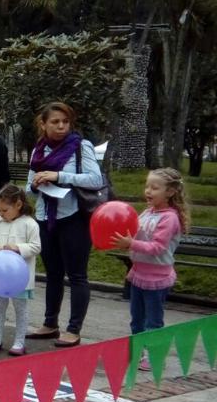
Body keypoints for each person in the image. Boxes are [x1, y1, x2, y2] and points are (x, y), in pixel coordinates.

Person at [26, 102, 103, 347]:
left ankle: (73, 329)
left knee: (77, 275)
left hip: (74, 217)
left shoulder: (80, 146)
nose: (61, 126)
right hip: (46, 218)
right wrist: (36, 184)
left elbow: (95, 179)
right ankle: (50, 324)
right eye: (55, 122)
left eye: (65, 122)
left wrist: (59, 176)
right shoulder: (39, 149)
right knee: (53, 274)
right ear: (43, 124)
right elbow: (29, 187)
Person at [112, 168, 189, 371]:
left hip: (157, 278)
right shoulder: (147, 212)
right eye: (147, 186)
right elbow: (136, 234)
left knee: (153, 321)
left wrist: (130, 244)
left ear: (170, 192)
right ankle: (138, 351)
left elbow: (158, 248)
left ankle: (155, 356)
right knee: (136, 319)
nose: (148, 191)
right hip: (138, 274)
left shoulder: (169, 218)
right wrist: (123, 237)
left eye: (155, 188)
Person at [0, 184, 41, 356]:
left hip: (19, 279)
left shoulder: (29, 224)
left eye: (4, 210)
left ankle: (19, 342)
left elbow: (36, 247)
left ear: (18, 205)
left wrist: (18, 248)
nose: (1, 214)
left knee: (20, 309)